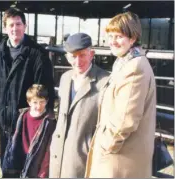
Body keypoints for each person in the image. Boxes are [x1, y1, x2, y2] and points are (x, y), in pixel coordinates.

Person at [84, 12, 156, 178]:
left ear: (133, 38)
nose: (113, 41)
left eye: (119, 36)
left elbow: (125, 120)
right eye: (110, 36)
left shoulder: (134, 68)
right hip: (120, 156)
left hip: (119, 160)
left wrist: (106, 146)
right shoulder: (127, 62)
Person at [0, 7, 55, 177]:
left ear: (25, 26)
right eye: (11, 25)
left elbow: (45, 88)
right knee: (8, 165)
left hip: (27, 122)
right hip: (5, 120)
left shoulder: (37, 54)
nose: (15, 28)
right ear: (5, 28)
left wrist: (40, 117)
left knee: (28, 166)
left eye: (18, 24)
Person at [49, 33, 109, 178]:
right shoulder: (65, 78)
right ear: (66, 56)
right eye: (73, 56)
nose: (77, 61)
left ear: (91, 54)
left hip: (84, 158)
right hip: (58, 156)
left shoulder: (105, 82)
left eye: (82, 55)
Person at [2, 84, 56, 178]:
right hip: (21, 159)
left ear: (46, 101)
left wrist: (43, 172)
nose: (39, 106)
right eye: (35, 102)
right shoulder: (22, 116)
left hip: (37, 162)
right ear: (29, 102)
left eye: (42, 102)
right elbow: (14, 141)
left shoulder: (50, 121)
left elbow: (49, 149)